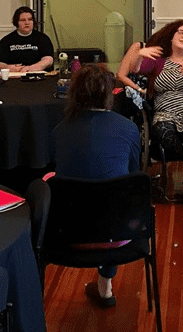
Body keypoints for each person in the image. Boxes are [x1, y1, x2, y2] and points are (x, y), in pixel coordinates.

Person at [49, 64, 141, 308]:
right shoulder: (129, 128)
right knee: (116, 195)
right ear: (109, 94)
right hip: (121, 234)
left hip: (67, 234)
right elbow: (134, 176)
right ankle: (106, 284)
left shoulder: (59, 131)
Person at [120, 20, 183, 198]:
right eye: (181, 32)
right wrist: (140, 53)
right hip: (166, 111)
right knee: (160, 130)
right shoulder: (159, 61)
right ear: (171, 36)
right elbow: (135, 70)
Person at [0, 6, 55, 73]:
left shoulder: (43, 38)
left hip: (38, 76)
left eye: (30, 19)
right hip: (14, 77)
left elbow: (48, 60)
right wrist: (9, 68)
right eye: (23, 20)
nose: (27, 23)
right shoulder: (5, 41)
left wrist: (31, 68)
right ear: (16, 22)